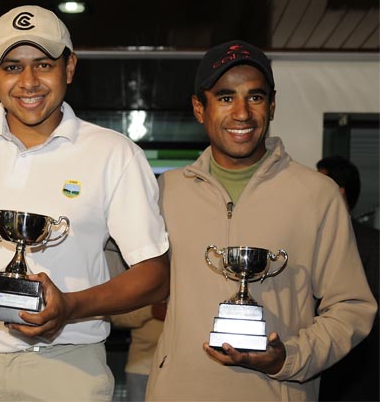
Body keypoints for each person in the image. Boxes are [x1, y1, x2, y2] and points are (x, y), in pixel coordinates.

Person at [0, 5, 170, 401]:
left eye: (43, 64)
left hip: (68, 370)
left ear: (69, 68)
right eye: (12, 67)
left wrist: (69, 306)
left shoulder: (114, 153)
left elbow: (156, 275)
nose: (28, 82)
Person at [145, 40, 377, 401]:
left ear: (272, 106)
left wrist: (291, 357)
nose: (241, 113)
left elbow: (352, 307)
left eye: (255, 97)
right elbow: (135, 281)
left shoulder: (318, 194)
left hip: (275, 391)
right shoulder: (166, 191)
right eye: (225, 97)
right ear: (199, 108)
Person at [316, 155, 379, 401]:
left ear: (339, 193)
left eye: (321, 184)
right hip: (316, 370)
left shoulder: (373, 242)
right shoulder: (310, 236)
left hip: (359, 371)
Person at [106, 239, 166, 402]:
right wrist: (151, 311)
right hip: (140, 368)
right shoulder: (140, 278)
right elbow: (117, 317)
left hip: (174, 368)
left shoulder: (181, 281)